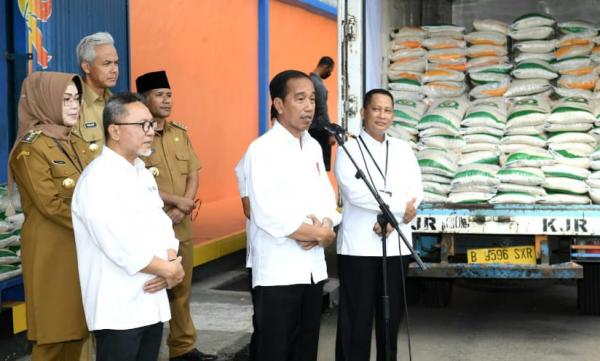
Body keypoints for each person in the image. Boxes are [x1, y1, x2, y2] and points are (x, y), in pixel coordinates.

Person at [72, 93, 185, 361]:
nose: (151, 131)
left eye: (151, 124)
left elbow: (162, 223)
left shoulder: (141, 172)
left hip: (150, 300)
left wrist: (171, 259)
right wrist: (168, 269)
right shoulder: (98, 179)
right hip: (118, 306)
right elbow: (116, 243)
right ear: (115, 131)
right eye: (142, 125)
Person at [245, 70, 341, 361]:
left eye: (312, 99)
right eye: (300, 99)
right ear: (278, 104)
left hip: (311, 271)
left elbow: (327, 197)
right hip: (278, 271)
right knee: (275, 350)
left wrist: (326, 225)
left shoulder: (312, 146)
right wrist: (314, 233)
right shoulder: (262, 150)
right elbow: (265, 212)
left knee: (305, 349)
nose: (309, 107)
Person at [8, 72, 95, 361]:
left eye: (77, 99)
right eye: (65, 99)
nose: (74, 106)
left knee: (77, 331)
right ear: (44, 102)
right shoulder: (31, 148)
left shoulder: (78, 143)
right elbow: (50, 205)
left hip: (81, 247)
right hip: (52, 250)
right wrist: (100, 227)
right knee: (53, 335)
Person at [334, 89, 423, 361]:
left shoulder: (403, 149)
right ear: (363, 112)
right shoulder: (349, 149)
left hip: (395, 247)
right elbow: (356, 192)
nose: (382, 115)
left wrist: (393, 219)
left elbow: (416, 190)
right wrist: (397, 208)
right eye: (376, 109)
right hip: (358, 249)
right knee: (356, 323)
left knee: (389, 320)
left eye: (387, 110)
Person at [135, 71, 213, 361]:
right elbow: (137, 178)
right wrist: (175, 203)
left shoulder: (180, 132)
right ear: (144, 99)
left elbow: (193, 171)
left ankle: (182, 348)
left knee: (182, 288)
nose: (167, 100)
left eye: (169, 94)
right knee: (152, 287)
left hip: (181, 222)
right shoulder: (138, 134)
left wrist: (184, 205)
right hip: (152, 224)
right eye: (159, 94)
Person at [75, 32, 119, 153]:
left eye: (116, 63)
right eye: (107, 63)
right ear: (86, 67)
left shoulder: (117, 103)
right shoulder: (72, 104)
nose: (114, 70)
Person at [308, 56, 335, 171]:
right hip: (318, 130)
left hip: (308, 129)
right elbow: (322, 111)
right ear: (325, 66)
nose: (329, 73)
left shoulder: (307, 80)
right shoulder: (318, 85)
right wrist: (330, 132)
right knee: (320, 169)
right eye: (330, 70)